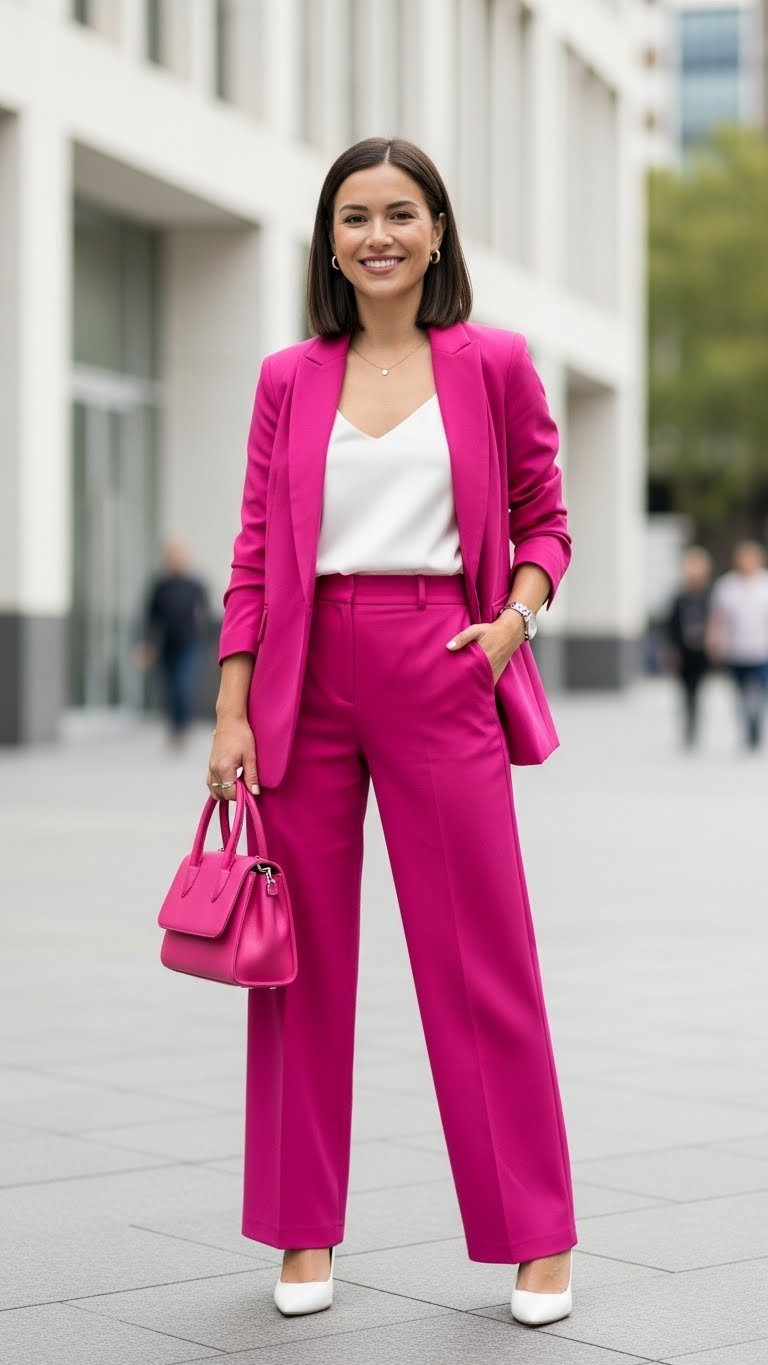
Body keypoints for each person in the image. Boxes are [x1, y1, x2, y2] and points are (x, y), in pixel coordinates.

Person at [207, 137, 577, 1328]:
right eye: (356, 216)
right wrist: (231, 706)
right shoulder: (287, 378)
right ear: (329, 240)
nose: (378, 234)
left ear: (436, 231)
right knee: (295, 964)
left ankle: (535, 1237)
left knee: (483, 960)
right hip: (305, 683)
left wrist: (515, 620)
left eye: (400, 214)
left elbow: (546, 524)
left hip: (443, 658)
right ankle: (302, 1232)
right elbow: (259, 551)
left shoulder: (494, 364)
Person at [137, 538, 210, 746]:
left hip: (190, 644)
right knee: (170, 688)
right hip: (167, 646)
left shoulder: (195, 585)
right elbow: (152, 618)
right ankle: (175, 727)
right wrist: (147, 645)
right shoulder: (160, 586)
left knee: (182, 685)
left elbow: (206, 613)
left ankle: (182, 727)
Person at [707, 539, 768, 749]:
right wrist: (714, 641)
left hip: (761, 650)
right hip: (736, 649)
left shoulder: (764, 585)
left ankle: (756, 726)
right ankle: (745, 727)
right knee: (740, 694)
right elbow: (718, 618)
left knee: (760, 693)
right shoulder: (727, 586)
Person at [665, 545, 713, 746]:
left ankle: (694, 724)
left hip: (702, 651)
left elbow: (715, 620)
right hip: (683, 652)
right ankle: (688, 725)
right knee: (685, 691)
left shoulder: (710, 595)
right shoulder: (679, 596)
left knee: (697, 689)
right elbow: (670, 624)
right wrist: (671, 649)